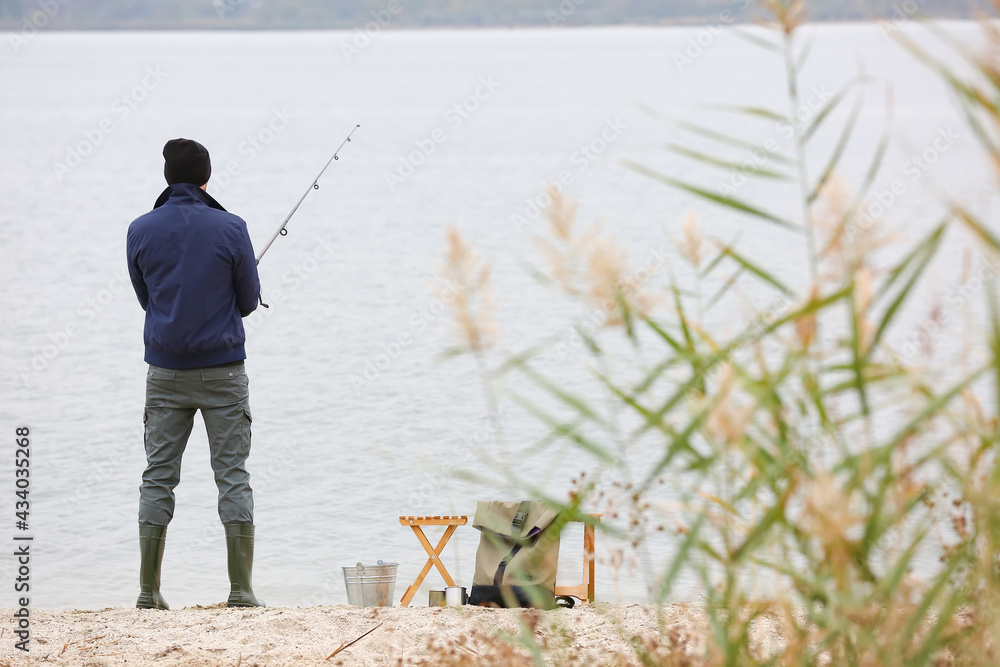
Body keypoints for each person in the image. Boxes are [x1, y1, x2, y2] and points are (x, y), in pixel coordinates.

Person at [126, 138, 264, 609]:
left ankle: (148, 591)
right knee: (232, 475)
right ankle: (242, 591)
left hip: (164, 373)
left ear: (167, 177)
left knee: (157, 477)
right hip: (224, 374)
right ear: (206, 179)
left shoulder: (140, 229)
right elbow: (247, 302)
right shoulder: (231, 227)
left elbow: (146, 298)